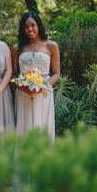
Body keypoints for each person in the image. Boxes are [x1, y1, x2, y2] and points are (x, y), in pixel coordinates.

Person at [11, 11, 60, 141]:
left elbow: (56, 73)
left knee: (42, 125)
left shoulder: (51, 45)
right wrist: (22, 88)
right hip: (23, 92)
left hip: (43, 92)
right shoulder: (17, 48)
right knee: (24, 126)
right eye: (26, 26)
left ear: (39, 25)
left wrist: (42, 87)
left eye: (33, 25)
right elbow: (14, 74)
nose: (30, 29)